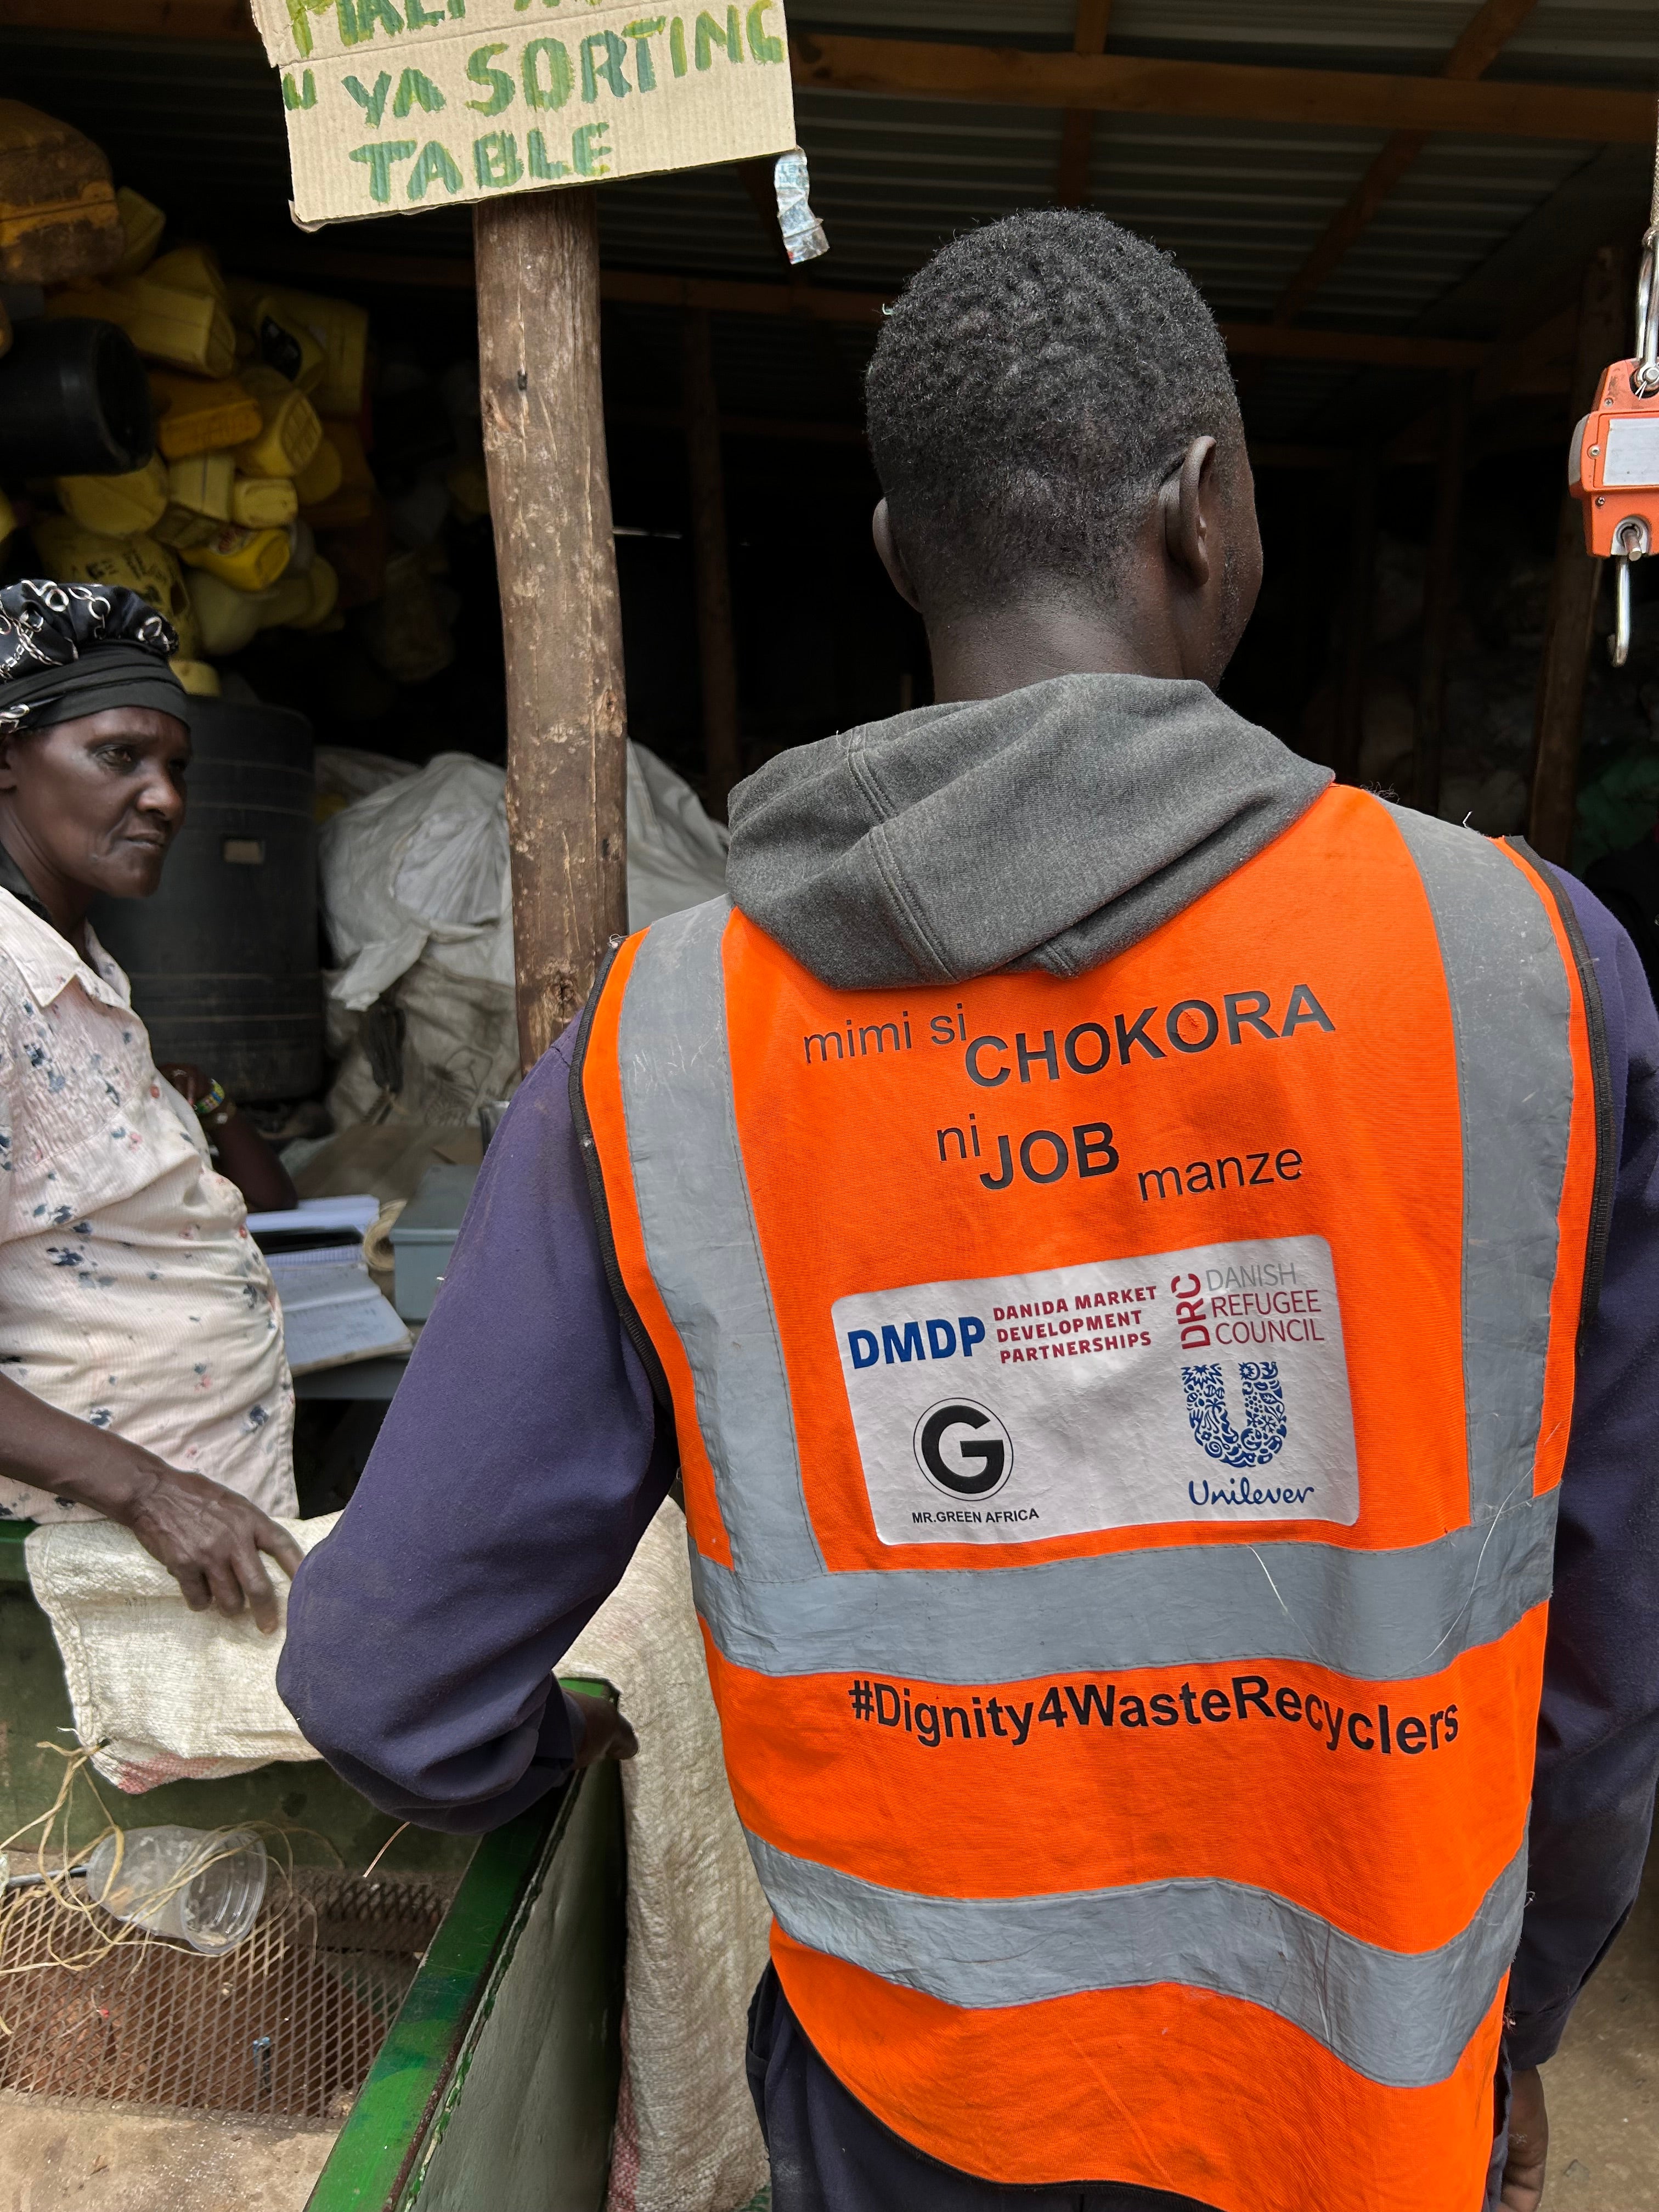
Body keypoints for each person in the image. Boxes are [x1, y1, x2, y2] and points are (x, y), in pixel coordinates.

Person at [278, 214, 1659, 2212]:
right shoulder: (1519, 973)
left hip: (911, 2104)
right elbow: (1606, 1629)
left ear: (899, 556)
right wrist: (1513, 2014)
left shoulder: (667, 1051)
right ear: (1208, 514)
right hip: (1360, 2101)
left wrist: (545, 1769)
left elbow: (387, 1673)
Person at [0, 579, 302, 1627]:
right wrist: (151, 1492)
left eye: (176, 765)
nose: (166, 796)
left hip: (190, 1546)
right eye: (118, 756)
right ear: (3, 759)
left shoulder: (81, 970)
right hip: (100, 1558)